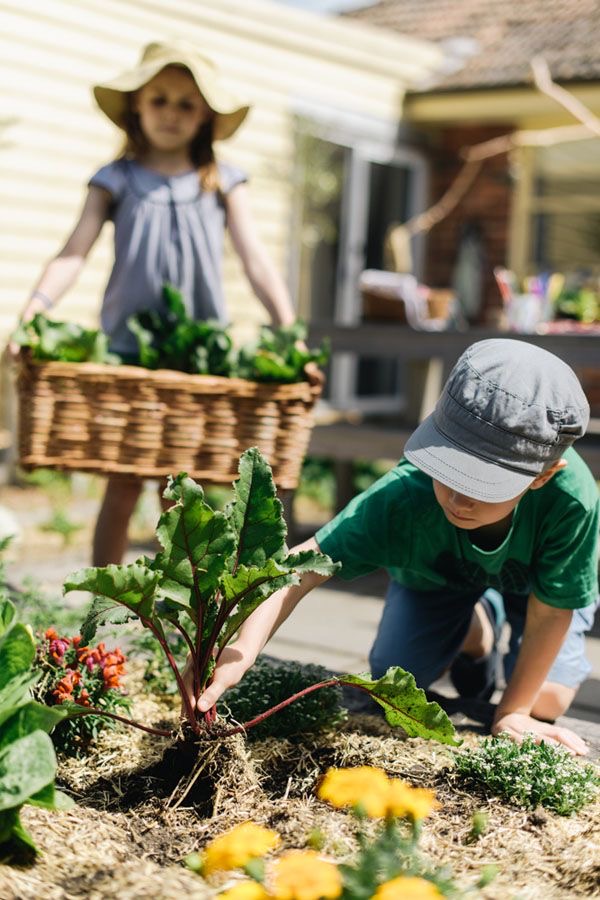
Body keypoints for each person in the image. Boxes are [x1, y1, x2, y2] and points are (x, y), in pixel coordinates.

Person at [191, 338, 600, 756]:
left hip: (539, 591)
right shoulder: (404, 496)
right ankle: (478, 628)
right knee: (394, 675)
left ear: (543, 476)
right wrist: (239, 651)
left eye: (484, 486)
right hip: (438, 579)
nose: (459, 499)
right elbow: (302, 567)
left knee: (547, 699)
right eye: (451, 471)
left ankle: (487, 628)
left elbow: (551, 612)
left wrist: (512, 712)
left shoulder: (571, 502)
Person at [17, 40, 311, 566]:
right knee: (123, 481)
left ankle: (173, 609)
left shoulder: (221, 179)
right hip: (129, 350)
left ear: (204, 117)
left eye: (186, 103)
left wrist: (291, 333)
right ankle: (102, 603)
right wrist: (32, 311)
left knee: (180, 494)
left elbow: (256, 261)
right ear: (136, 106)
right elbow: (73, 252)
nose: (172, 113)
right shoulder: (116, 179)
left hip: (199, 354)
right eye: (160, 99)